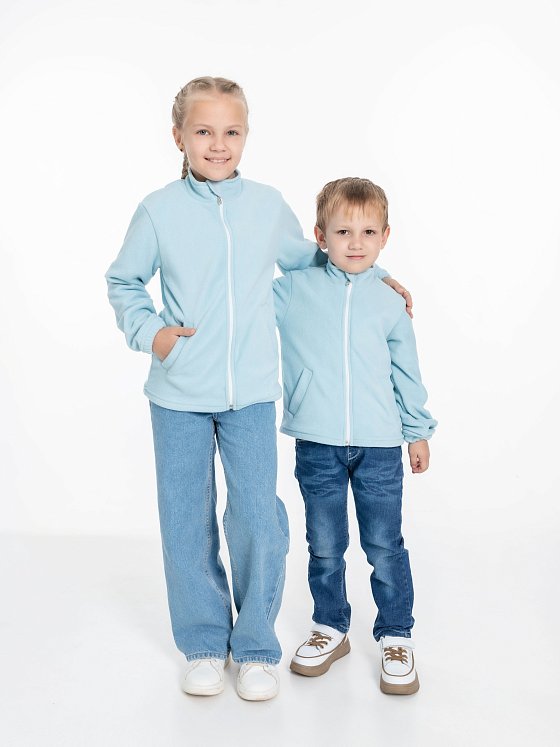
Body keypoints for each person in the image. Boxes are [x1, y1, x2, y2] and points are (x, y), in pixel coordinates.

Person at [106, 77, 410, 702]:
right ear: (178, 136)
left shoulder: (267, 206)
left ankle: (254, 647)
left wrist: (375, 280)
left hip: (251, 392)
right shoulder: (159, 210)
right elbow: (124, 281)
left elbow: (319, 262)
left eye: (231, 132)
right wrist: (152, 334)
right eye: (204, 131)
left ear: (246, 136)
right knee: (185, 519)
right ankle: (202, 643)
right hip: (178, 393)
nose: (218, 144)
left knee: (255, 517)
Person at [273, 177, 436, 695]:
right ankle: (330, 626)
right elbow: (247, 286)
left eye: (368, 232)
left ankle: (396, 634)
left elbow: (406, 372)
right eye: (343, 231)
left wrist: (417, 431)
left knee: (384, 544)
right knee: (324, 545)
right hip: (316, 441)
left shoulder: (388, 301)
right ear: (321, 236)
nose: (356, 243)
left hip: (381, 444)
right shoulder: (293, 289)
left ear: (385, 236)